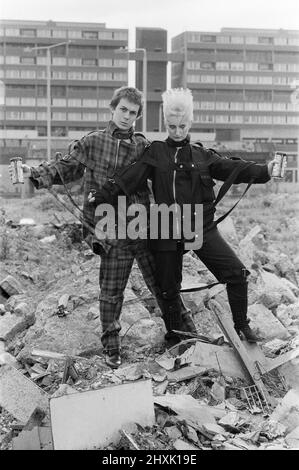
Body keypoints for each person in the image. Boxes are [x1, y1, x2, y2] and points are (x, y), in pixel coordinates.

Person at [8, 86, 196, 369]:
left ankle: (188, 336)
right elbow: (66, 167)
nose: (126, 116)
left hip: (144, 226)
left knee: (164, 285)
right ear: (113, 108)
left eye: (132, 113)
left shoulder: (143, 146)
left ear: (137, 116)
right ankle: (112, 350)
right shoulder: (93, 142)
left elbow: (167, 171)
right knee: (111, 292)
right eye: (122, 110)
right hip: (110, 230)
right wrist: (33, 173)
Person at [92, 88, 276, 343]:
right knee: (168, 289)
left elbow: (233, 167)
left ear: (190, 123)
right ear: (165, 123)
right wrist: (101, 195)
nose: (177, 131)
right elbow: (130, 177)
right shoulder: (155, 152)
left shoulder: (202, 155)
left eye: (182, 126)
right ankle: (176, 337)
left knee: (236, 274)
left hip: (200, 225)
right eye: (172, 126)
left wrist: (266, 170)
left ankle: (242, 325)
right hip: (165, 225)